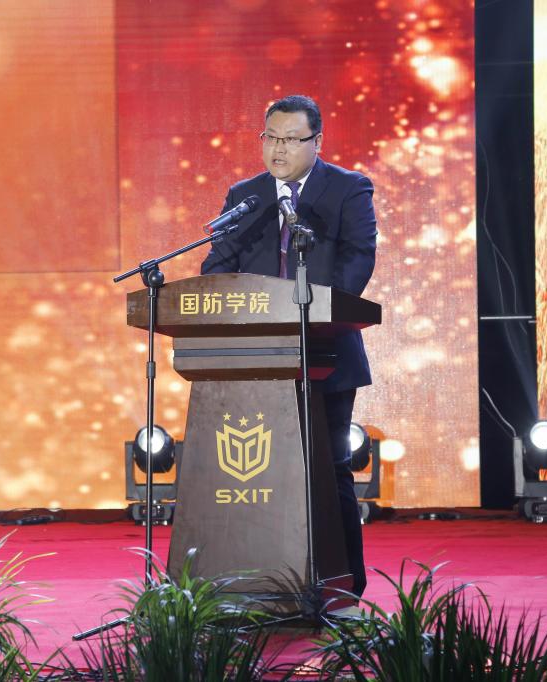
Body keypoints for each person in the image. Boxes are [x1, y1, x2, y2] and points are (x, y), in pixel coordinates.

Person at [200, 94, 377, 596]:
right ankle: (260, 580)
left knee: (329, 469)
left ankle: (343, 585)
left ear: (317, 142)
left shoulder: (347, 189)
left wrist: (318, 317)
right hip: (254, 362)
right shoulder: (246, 195)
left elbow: (358, 260)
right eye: (271, 138)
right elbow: (218, 265)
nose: (278, 150)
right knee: (261, 476)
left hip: (326, 355)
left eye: (291, 139)